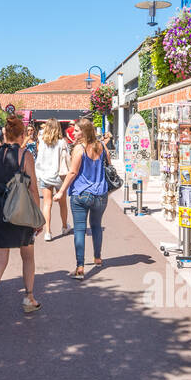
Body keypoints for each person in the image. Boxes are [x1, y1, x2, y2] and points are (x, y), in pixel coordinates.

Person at [0, 116, 41, 330]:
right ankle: (29, 297)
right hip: (21, 213)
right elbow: (33, 188)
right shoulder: (26, 155)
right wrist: (38, 215)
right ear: (22, 135)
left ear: (5, 134)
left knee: (0, 261)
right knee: (28, 256)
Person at [59, 118, 110, 279]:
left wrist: (61, 191)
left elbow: (73, 172)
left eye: (76, 130)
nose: (73, 133)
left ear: (84, 131)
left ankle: (80, 267)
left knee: (79, 230)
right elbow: (109, 164)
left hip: (81, 193)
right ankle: (98, 257)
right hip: (100, 194)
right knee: (96, 226)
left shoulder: (79, 149)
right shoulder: (102, 147)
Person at [35, 119, 72, 240]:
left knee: (47, 203)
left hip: (45, 175)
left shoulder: (42, 141)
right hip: (59, 176)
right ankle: (64, 226)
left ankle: (48, 232)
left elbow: (39, 159)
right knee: (62, 204)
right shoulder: (62, 143)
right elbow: (67, 159)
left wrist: (38, 174)